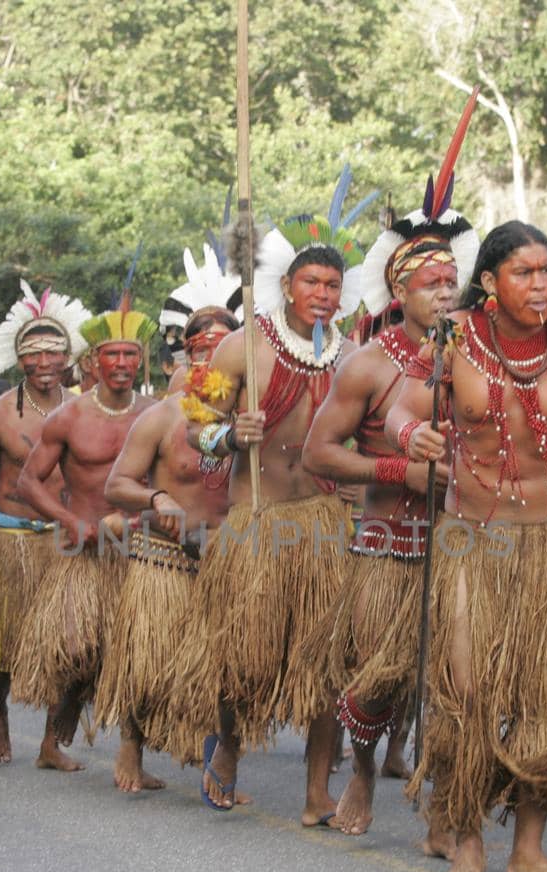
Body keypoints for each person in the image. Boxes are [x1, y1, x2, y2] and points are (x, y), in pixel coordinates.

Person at [385, 221, 547, 872]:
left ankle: (528, 846)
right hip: (472, 537)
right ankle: (468, 838)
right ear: (491, 281)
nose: (540, 284)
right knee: (468, 688)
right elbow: (398, 409)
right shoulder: (455, 337)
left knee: (541, 697)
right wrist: (414, 434)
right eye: (523, 273)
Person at [299, 145, 478, 835]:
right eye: (430, 282)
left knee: (455, 683)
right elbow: (320, 451)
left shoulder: (478, 361)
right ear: (399, 292)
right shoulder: (368, 366)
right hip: (384, 545)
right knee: (376, 678)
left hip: (461, 545)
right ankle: (365, 772)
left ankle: (444, 807)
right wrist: (398, 470)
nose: (444, 292)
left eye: (451, 281)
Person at [182, 174, 365, 820]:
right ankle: (227, 748)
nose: (321, 294)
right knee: (244, 650)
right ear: (287, 285)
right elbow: (192, 428)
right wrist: (230, 434)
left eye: (332, 285)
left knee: (328, 661)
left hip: (325, 526)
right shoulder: (243, 347)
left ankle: (317, 789)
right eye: (311, 282)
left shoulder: (355, 358)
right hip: (256, 519)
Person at [96, 247, 242, 790]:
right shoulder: (162, 416)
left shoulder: (252, 420)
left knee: (228, 667)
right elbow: (118, 485)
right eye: (199, 352)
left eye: (222, 352)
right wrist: (158, 499)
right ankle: (131, 751)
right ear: (181, 357)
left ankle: (220, 762)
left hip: (227, 558)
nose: (209, 364)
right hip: (161, 557)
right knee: (146, 659)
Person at [12, 284, 156, 775]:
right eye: (112, 354)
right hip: (84, 552)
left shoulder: (154, 414)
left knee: (139, 651)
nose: (121, 362)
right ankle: (52, 743)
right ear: (94, 361)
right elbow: (29, 481)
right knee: (76, 652)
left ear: (140, 360)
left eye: (130, 354)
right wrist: (71, 519)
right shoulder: (69, 415)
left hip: (137, 551)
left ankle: (131, 755)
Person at [0, 281, 87, 765]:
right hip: (12, 539)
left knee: (69, 640)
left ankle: (52, 743)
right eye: (33, 354)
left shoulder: (83, 410)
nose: (44, 362)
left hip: (64, 541)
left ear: (68, 355)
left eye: (54, 351)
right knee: (8, 641)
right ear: (19, 359)